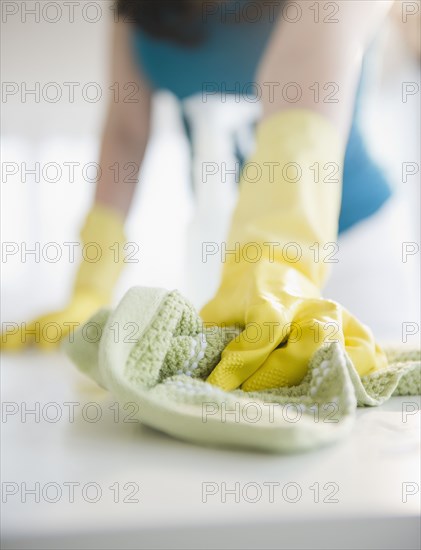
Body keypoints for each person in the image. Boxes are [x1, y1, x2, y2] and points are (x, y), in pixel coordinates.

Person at [2, 0, 401, 391]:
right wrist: (92, 285)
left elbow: (298, 76)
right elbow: (126, 130)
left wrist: (276, 263)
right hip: (229, 252)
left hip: (358, 248)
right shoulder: (136, 10)